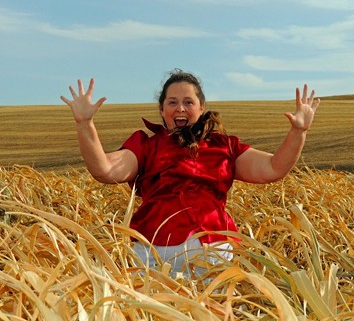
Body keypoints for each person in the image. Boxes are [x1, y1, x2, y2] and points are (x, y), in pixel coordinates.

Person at [61, 69, 320, 277]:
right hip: (153, 252)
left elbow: (273, 168)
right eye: (172, 102)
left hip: (213, 250)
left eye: (188, 102)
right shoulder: (146, 145)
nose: (181, 108)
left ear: (201, 107)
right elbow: (105, 170)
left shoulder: (224, 146)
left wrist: (299, 133)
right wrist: (85, 125)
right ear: (162, 110)